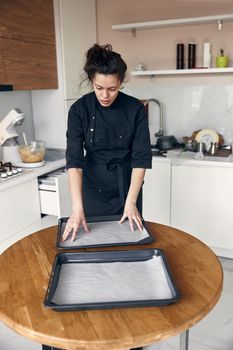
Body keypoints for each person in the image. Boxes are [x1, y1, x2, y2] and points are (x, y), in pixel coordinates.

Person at [62, 44, 152, 241]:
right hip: (93, 189)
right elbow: (75, 162)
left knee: (130, 242)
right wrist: (77, 208)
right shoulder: (79, 110)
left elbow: (140, 159)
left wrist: (131, 201)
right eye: (99, 88)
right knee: (94, 241)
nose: (105, 95)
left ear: (121, 82)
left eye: (112, 89)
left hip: (128, 188)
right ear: (92, 81)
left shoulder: (135, 109)